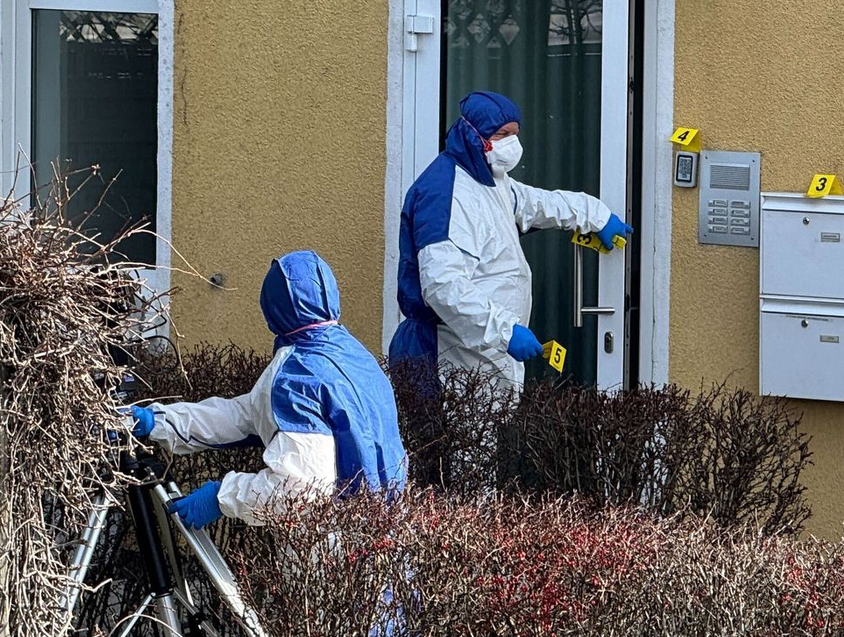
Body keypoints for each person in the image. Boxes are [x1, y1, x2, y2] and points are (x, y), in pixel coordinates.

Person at [127, 250, 407, 530]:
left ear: (271, 310)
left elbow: (298, 492)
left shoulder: (295, 377)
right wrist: (158, 421)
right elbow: (246, 415)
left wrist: (224, 496)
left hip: (335, 545)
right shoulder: (356, 357)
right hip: (388, 535)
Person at [388, 90, 632, 388]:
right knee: (458, 435)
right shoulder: (445, 194)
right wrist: (505, 331)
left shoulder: (490, 180)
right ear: (472, 133)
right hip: (449, 355)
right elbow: (443, 286)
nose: (511, 143)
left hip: (483, 350)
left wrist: (595, 215)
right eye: (502, 134)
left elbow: (535, 203)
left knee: (482, 433)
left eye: (515, 133)